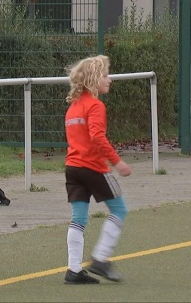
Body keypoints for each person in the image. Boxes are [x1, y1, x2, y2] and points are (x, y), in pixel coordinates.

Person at [63, 55, 132, 285]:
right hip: (93, 167)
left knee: (79, 219)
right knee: (120, 210)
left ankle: (73, 270)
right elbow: (97, 137)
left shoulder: (73, 107)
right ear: (93, 79)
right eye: (104, 75)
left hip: (72, 167)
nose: (109, 79)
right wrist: (117, 162)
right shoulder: (95, 105)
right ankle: (101, 259)